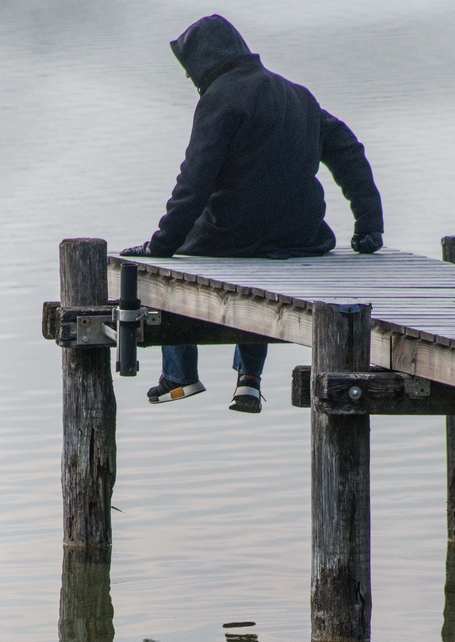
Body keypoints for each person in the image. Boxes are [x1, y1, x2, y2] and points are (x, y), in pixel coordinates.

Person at [121, 14, 384, 414]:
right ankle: (248, 379)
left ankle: (180, 376)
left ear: (204, 64)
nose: (191, 80)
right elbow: (349, 151)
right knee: (254, 262)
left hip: (231, 237)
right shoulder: (298, 95)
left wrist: (159, 247)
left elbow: (193, 186)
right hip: (300, 238)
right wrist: (369, 225)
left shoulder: (220, 99)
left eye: (190, 71)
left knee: (170, 265)